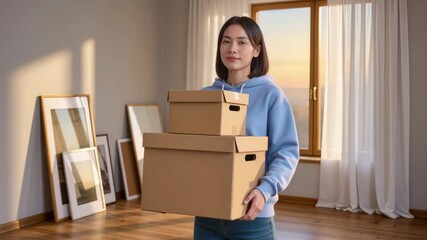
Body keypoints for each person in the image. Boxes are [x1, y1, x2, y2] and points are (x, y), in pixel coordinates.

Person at [194, 16, 300, 239]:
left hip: (252, 215)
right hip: (206, 215)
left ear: (256, 50)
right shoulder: (205, 96)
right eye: (226, 41)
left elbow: (286, 153)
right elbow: (194, 152)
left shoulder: (272, 95)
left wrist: (264, 191)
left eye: (242, 42)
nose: (232, 48)